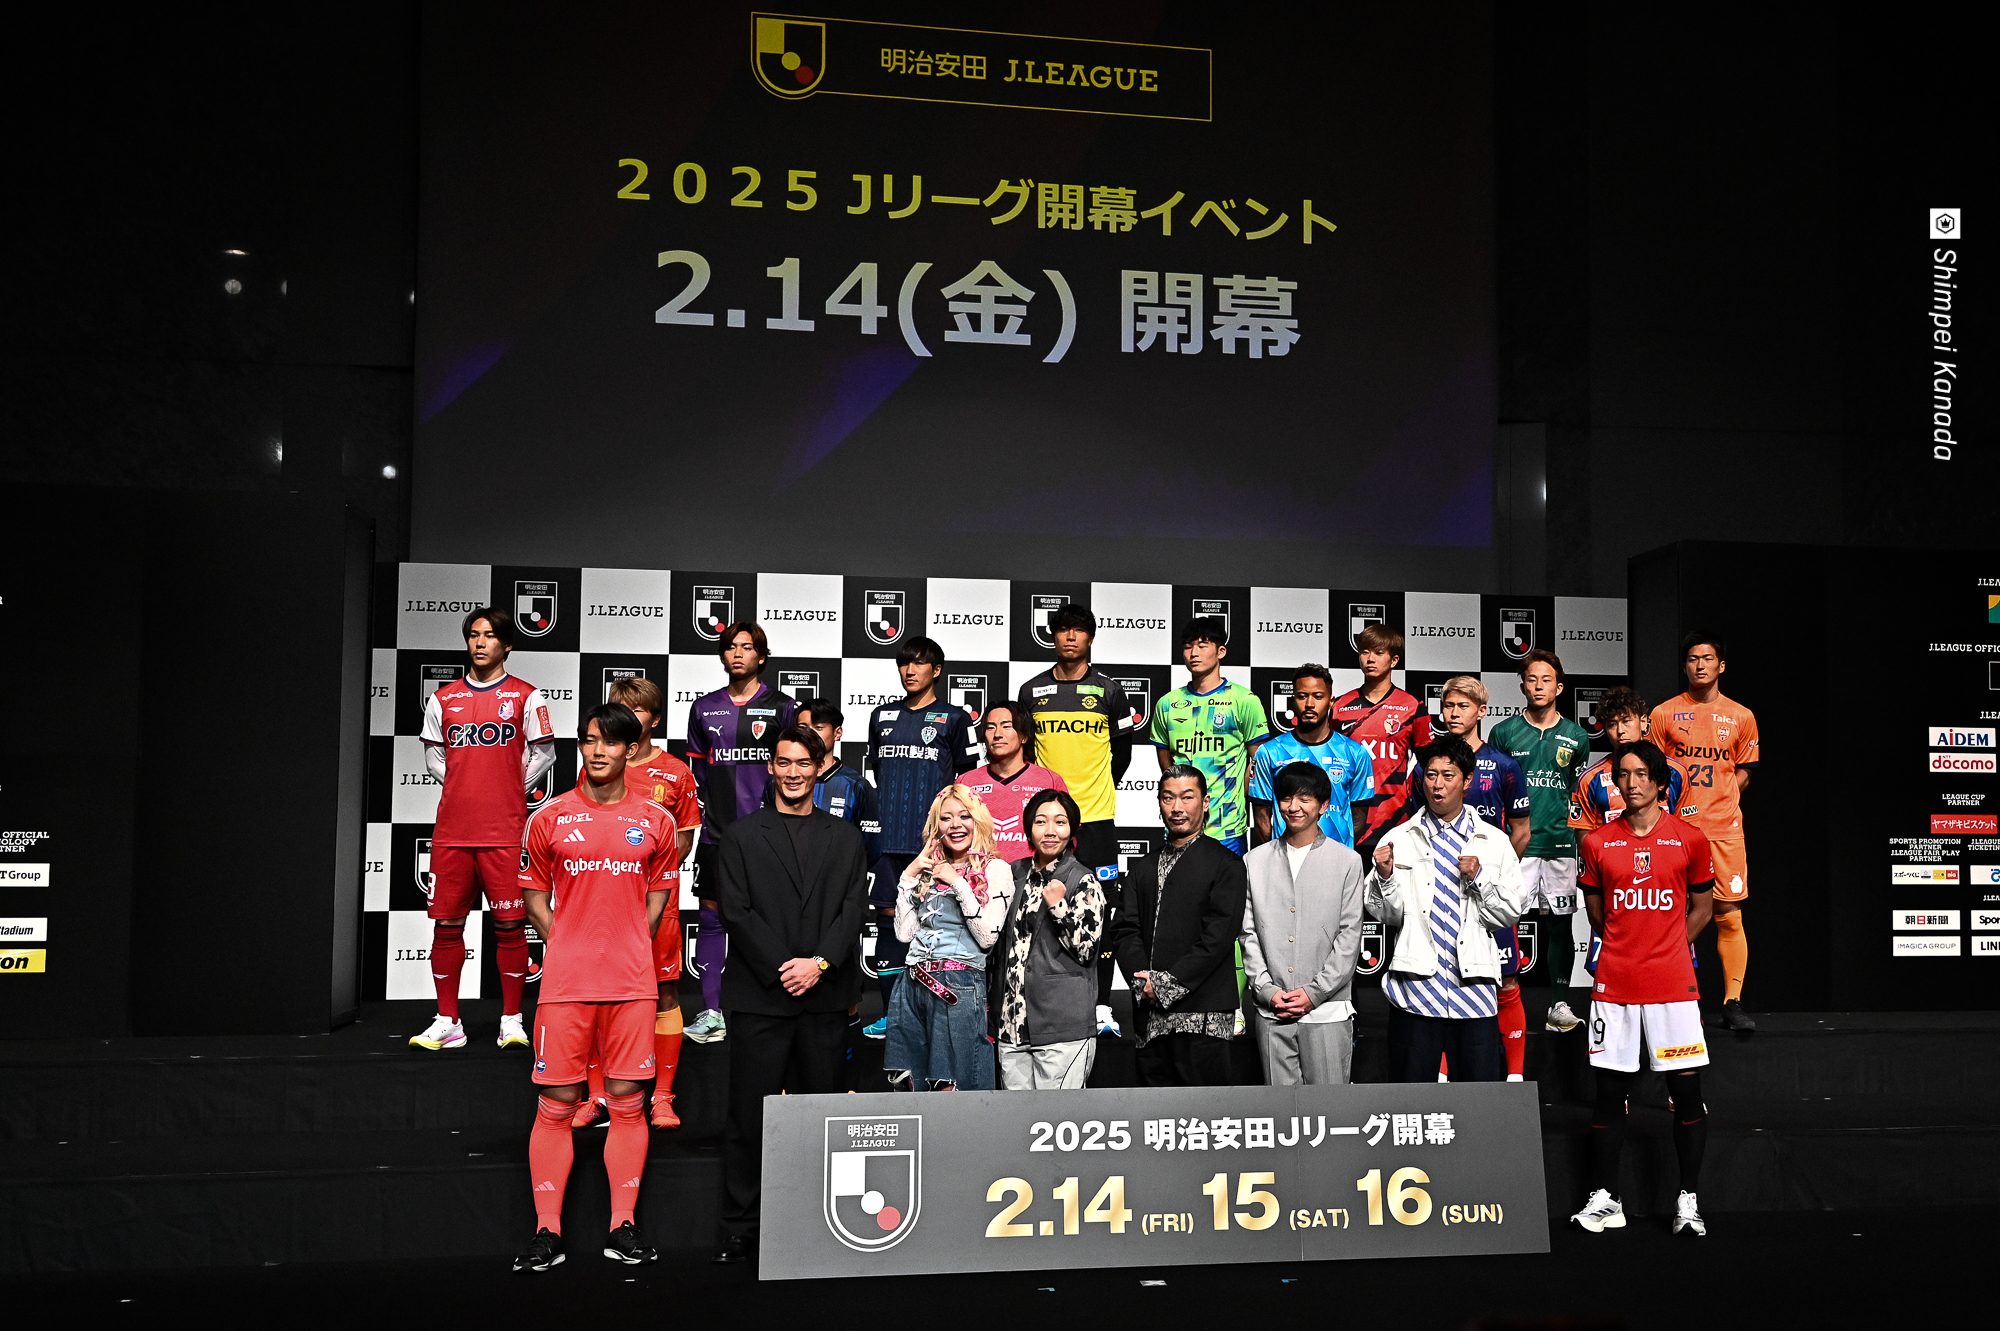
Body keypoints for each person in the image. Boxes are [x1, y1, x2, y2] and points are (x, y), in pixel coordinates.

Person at [512, 704, 678, 1272]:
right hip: (565, 984)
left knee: (629, 1104)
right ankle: (547, 1231)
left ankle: (622, 1226)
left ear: (631, 750)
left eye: (609, 742)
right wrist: (570, 944)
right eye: (588, 741)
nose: (597, 751)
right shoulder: (549, 816)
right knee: (557, 1103)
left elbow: (657, 899)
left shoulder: (657, 821)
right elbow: (534, 895)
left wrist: (626, 944)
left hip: (632, 984)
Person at [712, 726, 870, 1265]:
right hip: (762, 997)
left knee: (820, 1118)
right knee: (749, 1117)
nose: (794, 772)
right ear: (771, 767)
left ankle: (816, 1220)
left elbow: (853, 909)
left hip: (824, 998)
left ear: (820, 766)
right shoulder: (740, 835)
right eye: (784, 762)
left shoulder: (845, 836)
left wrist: (818, 964)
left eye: (804, 763)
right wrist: (787, 968)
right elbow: (736, 911)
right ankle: (741, 1224)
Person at [1570, 740, 1715, 1239]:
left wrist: (1668, 946)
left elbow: (1703, 908)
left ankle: (1688, 1200)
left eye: (1640, 774)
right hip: (1615, 984)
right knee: (1609, 1093)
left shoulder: (1690, 839)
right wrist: (1628, 947)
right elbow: (1597, 914)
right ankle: (1606, 1198)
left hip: (1673, 986)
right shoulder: (1596, 843)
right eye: (1622, 775)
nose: (1630, 783)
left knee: (1686, 1091)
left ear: (1659, 781)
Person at [412, 607, 556, 1052]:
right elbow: (435, 759)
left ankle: (511, 1019)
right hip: (453, 832)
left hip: (504, 832)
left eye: (489, 635)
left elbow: (545, 754)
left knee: (510, 926)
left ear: (507, 644)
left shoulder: (527, 696)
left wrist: (508, 788)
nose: (479, 642)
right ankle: (447, 1020)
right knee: (447, 926)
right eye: (473, 635)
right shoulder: (442, 698)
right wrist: (465, 785)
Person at [571, 676, 702, 1130]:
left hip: (655, 903)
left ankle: (662, 1096)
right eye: (619, 705)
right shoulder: (596, 765)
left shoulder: (676, 772)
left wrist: (640, 875)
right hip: (598, 904)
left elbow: (682, 842)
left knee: (664, 991)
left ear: (655, 719)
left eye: (638, 708)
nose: (628, 713)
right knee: (595, 994)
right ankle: (597, 1096)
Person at [1366, 735, 1527, 1083]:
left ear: (1467, 781)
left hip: (1474, 995)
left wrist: (1481, 878)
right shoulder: (1398, 839)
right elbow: (1386, 915)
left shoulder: (1494, 842)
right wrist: (1385, 877)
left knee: (1478, 1103)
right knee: (1411, 1101)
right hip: (1415, 994)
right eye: (1430, 774)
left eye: (1448, 776)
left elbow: (1511, 912)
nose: (1437, 785)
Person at [1017, 604, 1138, 1036]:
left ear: (1090, 638)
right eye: (1063, 630)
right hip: (1047, 820)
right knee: (1035, 904)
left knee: (1101, 909)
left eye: (1078, 630)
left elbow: (1122, 753)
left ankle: (1101, 1004)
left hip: (1097, 819)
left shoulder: (1110, 691)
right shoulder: (1031, 691)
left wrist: (1095, 790)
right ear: (1052, 636)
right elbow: (1025, 754)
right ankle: (1032, 997)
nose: (1070, 637)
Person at [683, 622, 797, 1047]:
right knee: (711, 918)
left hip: (768, 835)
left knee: (770, 919)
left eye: (747, 647)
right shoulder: (703, 707)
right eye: (731, 647)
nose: (737, 654)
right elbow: (698, 772)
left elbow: (794, 769)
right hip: (717, 835)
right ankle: (713, 1012)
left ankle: (769, 1007)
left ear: (761, 657)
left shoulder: (783, 706)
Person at [861, 636, 979, 1038]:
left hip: (933, 843)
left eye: (919, 663)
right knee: (889, 922)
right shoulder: (881, 716)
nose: (910, 670)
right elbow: (879, 773)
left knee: (935, 924)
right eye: (904, 663)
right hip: (887, 840)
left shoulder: (955, 718)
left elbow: (966, 783)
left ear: (937, 670)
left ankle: (934, 1013)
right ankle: (891, 1014)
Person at [1110, 766, 1250, 1087]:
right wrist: (1144, 984)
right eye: (1168, 798)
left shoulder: (1226, 864)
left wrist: (1165, 985)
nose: (1177, 808)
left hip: (1205, 1018)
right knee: (1154, 1115)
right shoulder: (1142, 867)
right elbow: (1124, 930)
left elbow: (1218, 938)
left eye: (1187, 798)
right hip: (1150, 1018)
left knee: (1205, 1113)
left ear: (1205, 802)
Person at [1648, 633, 1760, 1032]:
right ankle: (1674, 995)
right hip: (1677, 830)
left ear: (1721, 665)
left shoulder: (1742, 716)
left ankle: (1733, 1002)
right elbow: (1652, 772)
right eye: (1693, 659)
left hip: (1725, 831)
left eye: (1708, 658)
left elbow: (1744, 770)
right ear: (1684, 666)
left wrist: (1721, 801)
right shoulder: (1663, 714)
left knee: (1728, 913)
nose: (1700, 665)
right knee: (1672, 913)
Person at [1490, 650, 1595, 1037]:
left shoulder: (1577, 736)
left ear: (1559, 687)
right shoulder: (1504, 732)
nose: (1538, 686)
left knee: (1560, 926)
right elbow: (1496, 788)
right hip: (1516, 846)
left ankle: (1559, 1005)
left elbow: (1576, 793)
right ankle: (1499, 1001)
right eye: (1532, 679)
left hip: (1560, 844)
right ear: (1522, 686)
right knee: (1503, 922)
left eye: (1546, 680)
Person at [1241, 762, 1365, 1084]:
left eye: (1305, 799)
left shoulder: (1347, 861)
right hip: (1272, 1011)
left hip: (1328, 1011)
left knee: (1330, 1109)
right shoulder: (1254, 861)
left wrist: (1315, 991)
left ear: (1323, 805)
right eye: (1286, 798)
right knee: (1280, 1111)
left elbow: (1350, 937)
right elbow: (1248, 934)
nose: (1293, 807)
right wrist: (1267, 990)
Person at [884, 786, 1015, 1091]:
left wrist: (958, 882)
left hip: (957, 986)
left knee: (957, 1087)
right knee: (910, 1085)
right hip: (910, 983)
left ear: (978, 820)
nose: (955, 824)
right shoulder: (928, 870)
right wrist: (909, 876)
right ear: (936, 826)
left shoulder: (997, 869)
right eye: (946, 818)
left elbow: (987, 937)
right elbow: (904, 934)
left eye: (964, 816)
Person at [1434, 675, 1531, 1080]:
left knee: (1506, 980)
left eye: (1463, 706)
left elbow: (1521, 830)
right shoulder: (1430, 764)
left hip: (1488, 893)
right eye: (1448, 705)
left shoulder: (1503, 764)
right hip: (1441, 889)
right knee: (1441, 978)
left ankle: (1514, 1076)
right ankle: (1441, 1075)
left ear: (1482, 712)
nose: (1454, 713)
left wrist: (1496, 877)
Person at [991, 789, 1106, 1089]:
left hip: (1062, 1028)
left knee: (1058, 1116)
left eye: (1060, 822)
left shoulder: (1082, 880)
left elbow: (1087, 950)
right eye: (1041, 821)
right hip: (1011, 1026)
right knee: (1015, 1117)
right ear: (1029, 828)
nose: (1050, 831)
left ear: (1072, 829)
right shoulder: (1013, 873)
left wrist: (1058, 907)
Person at [1149, 616, 1270, 855]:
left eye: (1202, 645)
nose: (1194, 653)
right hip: (1180, 830)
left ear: (1221, 651)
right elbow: (1168, 768)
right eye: (1188, 646)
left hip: (1228, 830)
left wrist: (1237, 795)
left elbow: (1259, 762)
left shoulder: (1244, 700)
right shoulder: (1167, 704)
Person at [1332, 623, 1434, 861]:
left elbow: (1429, 765)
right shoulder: (1340, 707)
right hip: (1346, 821)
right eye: (1365, 652)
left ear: (1394, 660)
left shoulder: (1412, 707)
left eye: (1379, 653)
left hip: (1394, 823)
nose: (1370, 659)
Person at [1249, 663, 1375, 848]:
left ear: (1331, 701)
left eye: (1318, 696)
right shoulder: (1270, 752)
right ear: (1293, 700)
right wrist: (1281, 854)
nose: (1309, 704)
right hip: (1286, 858)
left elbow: (1359, 818)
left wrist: (1336, 852)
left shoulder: (1355, 753)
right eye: (1302, 696)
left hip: (1335, 859)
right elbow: (1261, 816)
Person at [1568, 688, 1688, 835]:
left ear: (1643, 722)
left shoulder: (1675, 772)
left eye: (1626, 721)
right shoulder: (1590, 779)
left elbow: (1687, 831)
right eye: (1612, 724)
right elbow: (1584, 839)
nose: (1620, 730)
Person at [960, 700, 1068, 862]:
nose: (997, 734)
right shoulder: (967, 782)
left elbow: (1068, 835)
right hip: (980, 874)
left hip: (1034, 874)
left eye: (1007, 726)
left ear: (1024, 736)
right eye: (990, 727)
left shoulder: (1050, 781)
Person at [791, 699, 882, 861]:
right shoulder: (780, 781)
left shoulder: (856, 786)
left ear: (838, 733)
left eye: (818, 727)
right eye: (803, 728)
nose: (809, 734)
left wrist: (842, 872)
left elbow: (871, 849)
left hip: (838, 876)